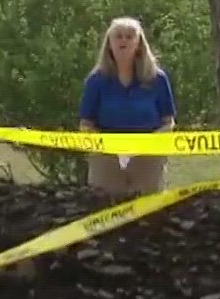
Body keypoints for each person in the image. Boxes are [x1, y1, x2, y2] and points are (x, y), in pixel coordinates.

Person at [76, 16, 177, 195]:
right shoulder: (96, 80)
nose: (124, 40)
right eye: (119, 36)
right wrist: (107, 147)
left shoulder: (157, 79)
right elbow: (86, 124)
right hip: (106, 157)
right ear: (109, 43)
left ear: (139, 44)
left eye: (130, 36)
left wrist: (144, 145)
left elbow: (168, 122)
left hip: (148, 157)